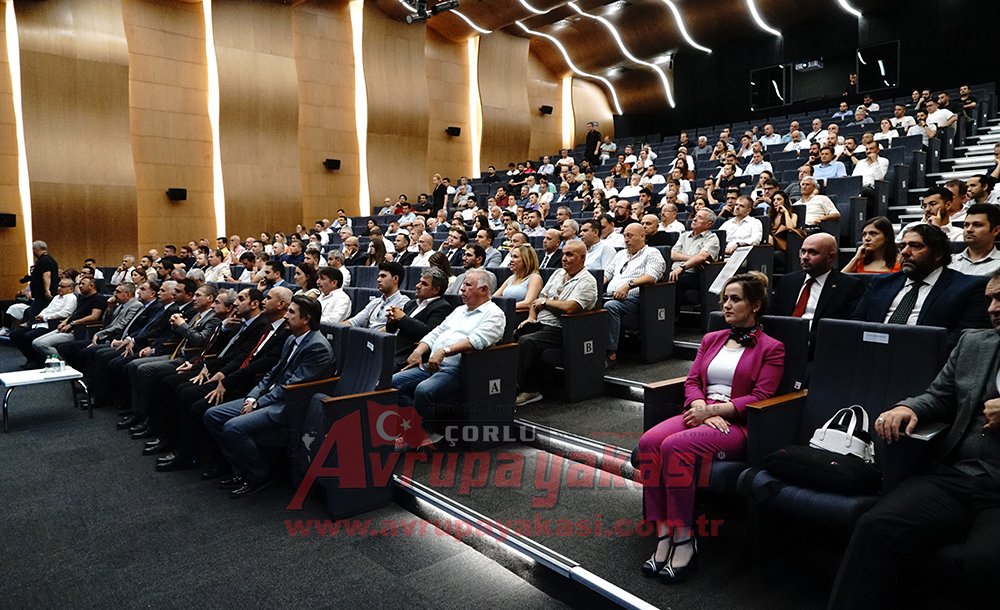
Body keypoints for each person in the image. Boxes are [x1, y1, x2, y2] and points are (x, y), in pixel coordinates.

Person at [828, 271, 1000, 609]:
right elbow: (939, 395)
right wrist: (908, 408)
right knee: (876, 526)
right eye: (991, 300)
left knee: (983, 564)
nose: (993, 308)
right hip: (958, 475)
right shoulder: (974, 343)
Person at [637, 272, 784, 583]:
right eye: (725, 299)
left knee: (674, 446)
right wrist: (702, 407)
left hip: (737, 424)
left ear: (755, 305)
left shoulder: (772, 347)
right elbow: (692, 381)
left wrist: (718, 411)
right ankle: (663, 532)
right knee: (650, 442)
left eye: (735, 299)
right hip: (701, 411)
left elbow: (762, 396)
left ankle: (685, 538)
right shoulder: (711, 338)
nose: (726, 305)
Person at [204, 295, 333, 498]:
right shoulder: (292, 339)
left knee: (232, 427)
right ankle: (241, 469)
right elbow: (271, 373)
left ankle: (259, 474)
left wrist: (258, 403)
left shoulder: (318, 347)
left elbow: (291, 386)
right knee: (212, 415)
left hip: (288, 405)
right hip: (267, 397)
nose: (286, 316)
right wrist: (252, 397)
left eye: (291, 312)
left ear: (306, 318)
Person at [391, 268, 506, 447]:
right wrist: (419, 350)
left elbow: (476, 341)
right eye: (463, 285)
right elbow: (437, 331)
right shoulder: (459, 310)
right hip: (432, 364)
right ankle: (424, 427)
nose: (462, 289)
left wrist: (444, 350)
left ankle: (420, 433)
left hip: (459, 369)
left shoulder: (495, 314)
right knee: (394, 382)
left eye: (468, 285)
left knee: (423, 390)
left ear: (483, 290)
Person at [851, 224, 989, 343]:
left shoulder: (969, 287)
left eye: (915, 246)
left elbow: (966, 338)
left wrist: (910, 348)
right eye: (902, 246)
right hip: (872, 353)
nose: (904, 252)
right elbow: (856, 325)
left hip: (928, 361)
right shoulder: (881, 283)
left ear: (938, 254)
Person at [513, 241, 598, 406]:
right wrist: (531, 318)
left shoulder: (587, 281)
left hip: (563, 329)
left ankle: (523, 389)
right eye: (563, 254)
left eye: (569, 255)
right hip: (541, 323)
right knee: (515, 334)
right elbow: (538, 300)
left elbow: (570, 307)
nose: (564, 258)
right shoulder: (558, 273)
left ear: (582, 257)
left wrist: (547, 303)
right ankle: (521, 386)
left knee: (527, 342)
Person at [773, 233, 864, 350]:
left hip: (822, 349)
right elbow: (774, 316)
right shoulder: (788, 281)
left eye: (813, 252)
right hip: (781, 346)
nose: (805, 257)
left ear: (831, 257)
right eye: (803, 251)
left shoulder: (849, 286)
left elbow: (847, 327)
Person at [604, 224, 666, 368]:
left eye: (630, 236)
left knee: (610, 306)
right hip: (611, 295)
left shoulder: (651, 253)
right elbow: (607, 274)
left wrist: (628, 285)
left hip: (637, 299)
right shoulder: (620, 254)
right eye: (625, 236)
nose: (626, 240)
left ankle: (611, 353)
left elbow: (652, 276)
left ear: (642, 236)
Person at [385, 267, 452, 372]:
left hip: (406, 357)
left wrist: (402, 318)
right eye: (419, 282)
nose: (417, 286)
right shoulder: (411, 303)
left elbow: (428, 332)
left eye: (424, 284)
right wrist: (392, 320)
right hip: (390, 351)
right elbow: (391, 330)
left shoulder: (442, 307)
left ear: (436, 290)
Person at [346, 261, 409, 331]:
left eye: (383, 276)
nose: (378, 280)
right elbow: (353, 322)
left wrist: (369, 336)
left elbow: (395, 329)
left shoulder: (403, 302)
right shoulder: (375, 302)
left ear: (395, 279)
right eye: (378, 276)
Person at [950, 203, 1000, 277]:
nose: (969, 230)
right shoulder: (950, 261)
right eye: (966, 225)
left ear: (996, 230)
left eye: (977, 225)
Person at [495, 244, 543, 312]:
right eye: (511, 256)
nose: (511, 260)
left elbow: (528, 303)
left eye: (515, 257)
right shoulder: (511, 278)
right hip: (504, 313)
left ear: (526, 260)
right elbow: (494, 297)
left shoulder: (535, 278)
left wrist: (505, 307)